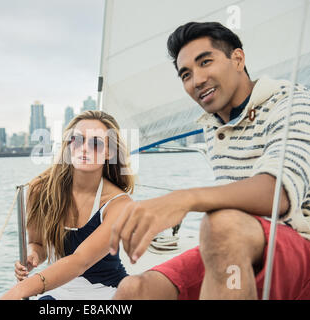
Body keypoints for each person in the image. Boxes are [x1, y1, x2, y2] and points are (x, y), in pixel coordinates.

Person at [110, 21, 310, 300]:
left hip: (300, 244)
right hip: (242, 245)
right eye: (186, 75)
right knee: (134, 290)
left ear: (237, 59)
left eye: (206, 62)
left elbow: (278, 193)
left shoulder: (292, 103)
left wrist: (184, 199)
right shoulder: (212, 124)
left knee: (220, 225)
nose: (197, 80)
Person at [0, 110, 135, 300]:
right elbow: (37, 243)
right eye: (77, 140)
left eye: (95, 143)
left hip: (109, 292)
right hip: (57, 290)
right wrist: (34, 255)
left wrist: (19, 291)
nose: (84, 148)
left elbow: (80, 261)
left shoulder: (120, 205)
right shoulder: (40, 190)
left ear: (109, 152)